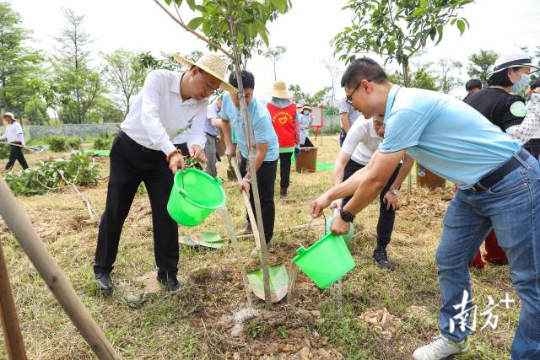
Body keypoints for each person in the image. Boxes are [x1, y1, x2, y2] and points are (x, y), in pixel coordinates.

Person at [310, 57, 540, 360]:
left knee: (529, 280)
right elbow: (371, 169)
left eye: (351, 100)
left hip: (512, 183)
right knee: (450, 259)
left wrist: (347, 215)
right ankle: (455, 337)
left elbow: (378, 179)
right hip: (472, 191)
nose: (353, 109)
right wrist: (330, 195)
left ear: (365, 86)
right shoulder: (397, 113)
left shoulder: (407, 108)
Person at [93, 53, 236, 294]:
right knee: (116, 210)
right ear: (193, 72)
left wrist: (196, 144)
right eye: (208, 85)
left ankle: (168, 273)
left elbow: (196, 129)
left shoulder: (200, 102)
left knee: (167, 213)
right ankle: (102, 269)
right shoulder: (158, 79)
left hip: (161, 157)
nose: (208, 93)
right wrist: (172, 152)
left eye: (214, 89)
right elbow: (150, 119)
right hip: (128, 150)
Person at [464, 52, 540, 267]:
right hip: (495, 172)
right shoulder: (512, 101)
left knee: (468, 218)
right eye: (524, 72)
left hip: (466, 168)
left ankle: (471, 260)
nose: (525, 78)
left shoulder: (471, 98)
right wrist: (536, 105)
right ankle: (497, 255)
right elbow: (519, 136)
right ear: (510, 73)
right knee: (497, 216)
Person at [332, 115, 414, 270]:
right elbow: (341, 162)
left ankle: (380, 250)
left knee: (388, 204)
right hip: (359, 161)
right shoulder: (361, 126)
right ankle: (339, 245)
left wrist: (394, 189)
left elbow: (409, 160)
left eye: (385, 125)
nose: (381, 130)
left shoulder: (402, 126)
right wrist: (337, 195)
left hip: (391, 162)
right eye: (377, 124)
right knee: (346, 203)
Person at [220, 70, 279, 252]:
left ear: (252, 92)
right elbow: (224, 121)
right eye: (237, 96)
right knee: (249, 194)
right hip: (246, 151)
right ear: (230, 91)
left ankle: (265, 239)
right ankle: (249, 224)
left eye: (247, 95)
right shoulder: (227, 99)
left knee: (263, 197)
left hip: (266, 157)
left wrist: (247, 177)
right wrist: (229, 145)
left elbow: (261, 151)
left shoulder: (260, 114)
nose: (242, 101)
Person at [266, 80, 300, 198]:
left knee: (271, 167)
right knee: (286, 167)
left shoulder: (268, 107)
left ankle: (269, 190)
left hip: (272, 144)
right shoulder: (293, 107)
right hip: (288, 143)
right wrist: (297, 140)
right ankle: (283, 192)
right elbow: (297, 126)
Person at [204, 96, 223, 177]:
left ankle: (213, 177)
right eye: (224, 104)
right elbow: (214, 122)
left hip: (210, 136)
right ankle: (210, 180)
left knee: (212, 160)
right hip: (206, 137)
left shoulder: (214, 111)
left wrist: (215, 136)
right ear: (219, 101)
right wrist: (228, 123)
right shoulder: (211, 108)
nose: (223, 107)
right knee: (210, 161)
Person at [524, 80, 540, 159]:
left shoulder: (535, 101)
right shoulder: (532, 101)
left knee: (534, 157)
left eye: (528, 87)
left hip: (535, 136)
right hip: (532, 135)